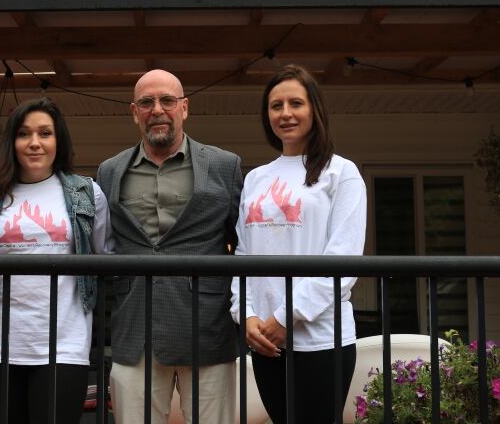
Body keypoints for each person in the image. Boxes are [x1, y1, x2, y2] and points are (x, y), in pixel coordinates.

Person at [0, 98, 113, 423]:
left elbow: (104, 258)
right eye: (24, 134)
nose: (35, 142)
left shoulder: (88, 194)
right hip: (1, 345)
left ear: (58, 140)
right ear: (12, 141)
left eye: (45, 133)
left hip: (66, 343)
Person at [96, 69, 243, 424]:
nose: (157, 109)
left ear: (185, 107)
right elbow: (105, 244)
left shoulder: (225, 165)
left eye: (167, 100)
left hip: (207, 327)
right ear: (134, 112)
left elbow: (242, 244)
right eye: (146, 102)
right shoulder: (110, 171)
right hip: (135, 329)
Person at [230, 64, 367, 424]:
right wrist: (245, 315)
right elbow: (242, 255)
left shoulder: (341, 172)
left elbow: (343, 260)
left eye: (295, 103)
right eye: (276, 106)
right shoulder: (257, 178)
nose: (285, 113)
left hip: (321, 339)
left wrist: (285, 316)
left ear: (314, 109)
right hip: (265, 341)